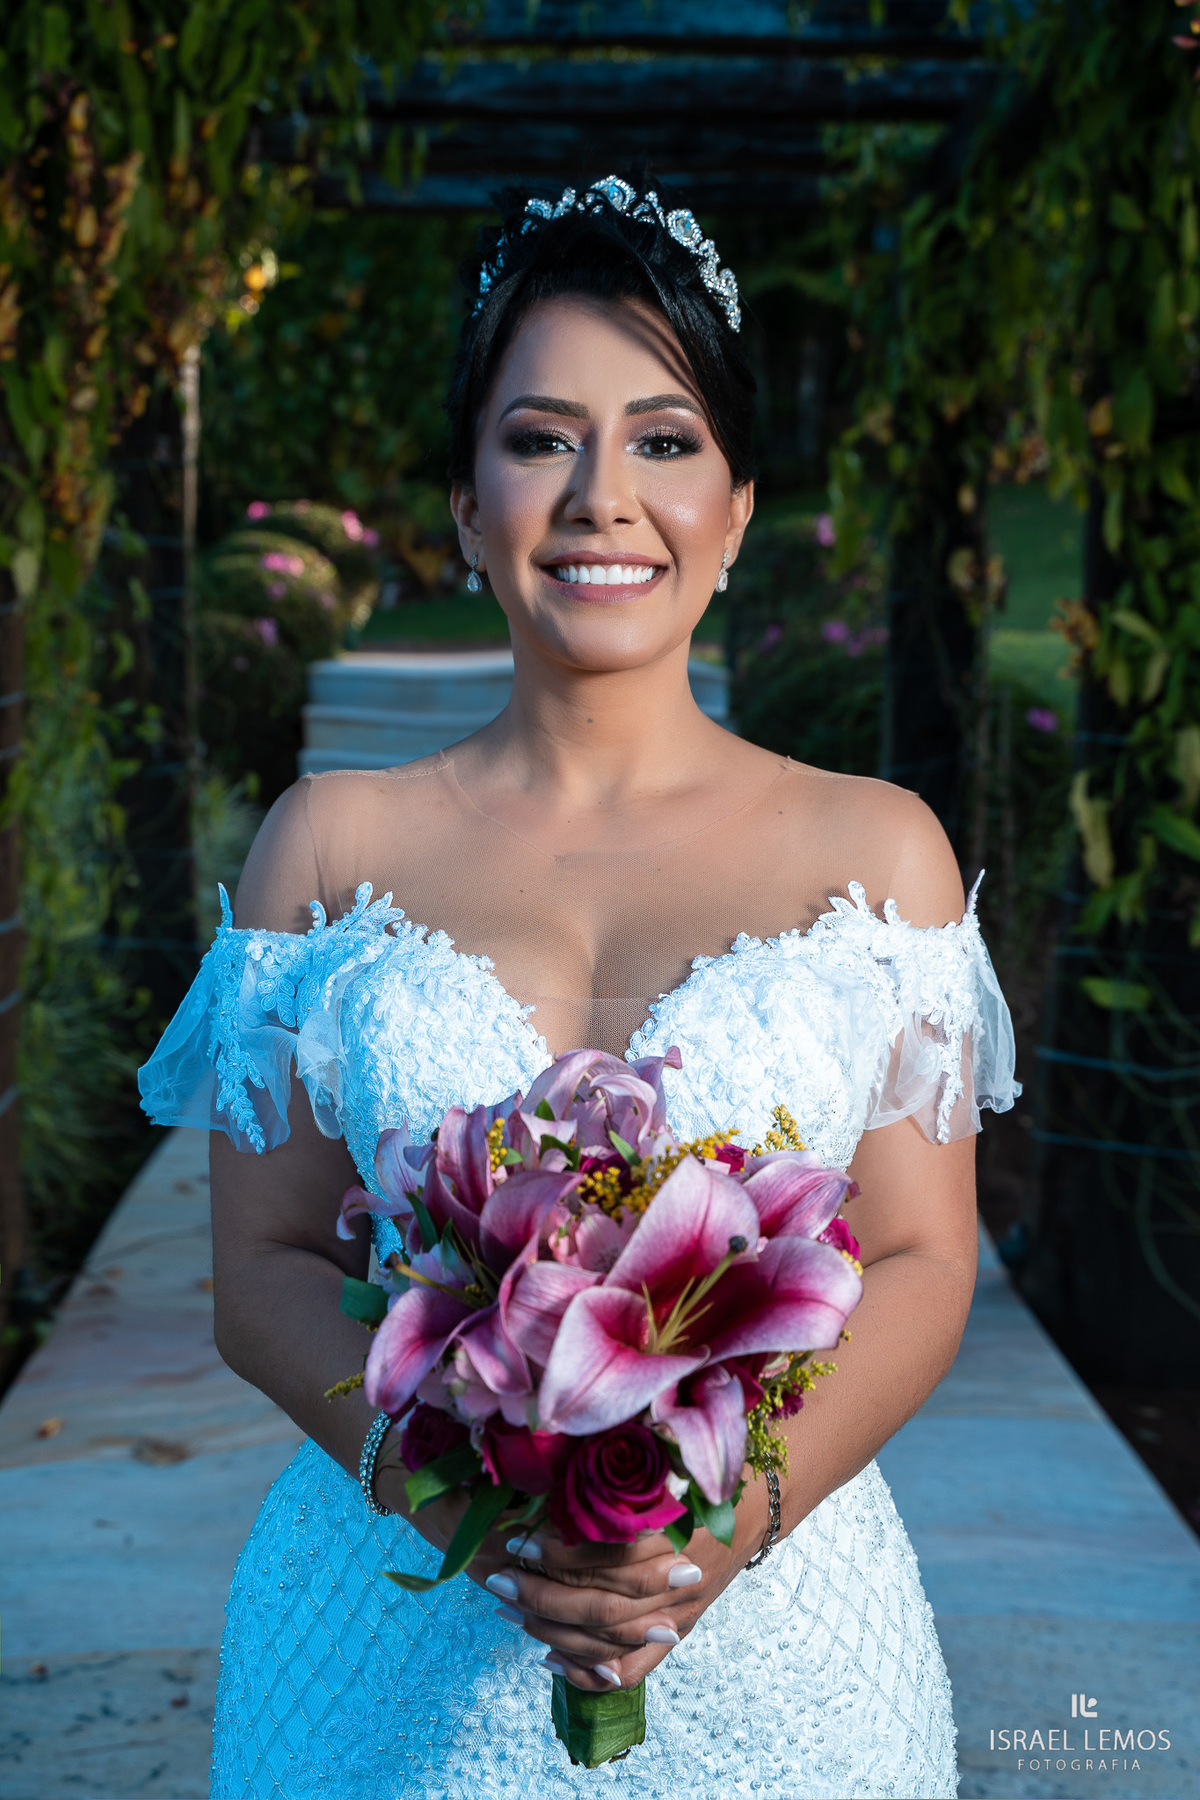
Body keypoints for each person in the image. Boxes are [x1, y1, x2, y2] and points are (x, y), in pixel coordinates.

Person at [140, 175, 1019, 1800]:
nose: (602, 494)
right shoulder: (330, 845)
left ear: (739, 508)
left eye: (665, 439)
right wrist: (479, 1516)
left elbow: (919, 1256)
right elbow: (258, 1267)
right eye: (541, 438)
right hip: (392, 1631)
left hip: (783, 1635)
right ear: (469, 508)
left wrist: (712, 1540)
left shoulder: (876, 853)